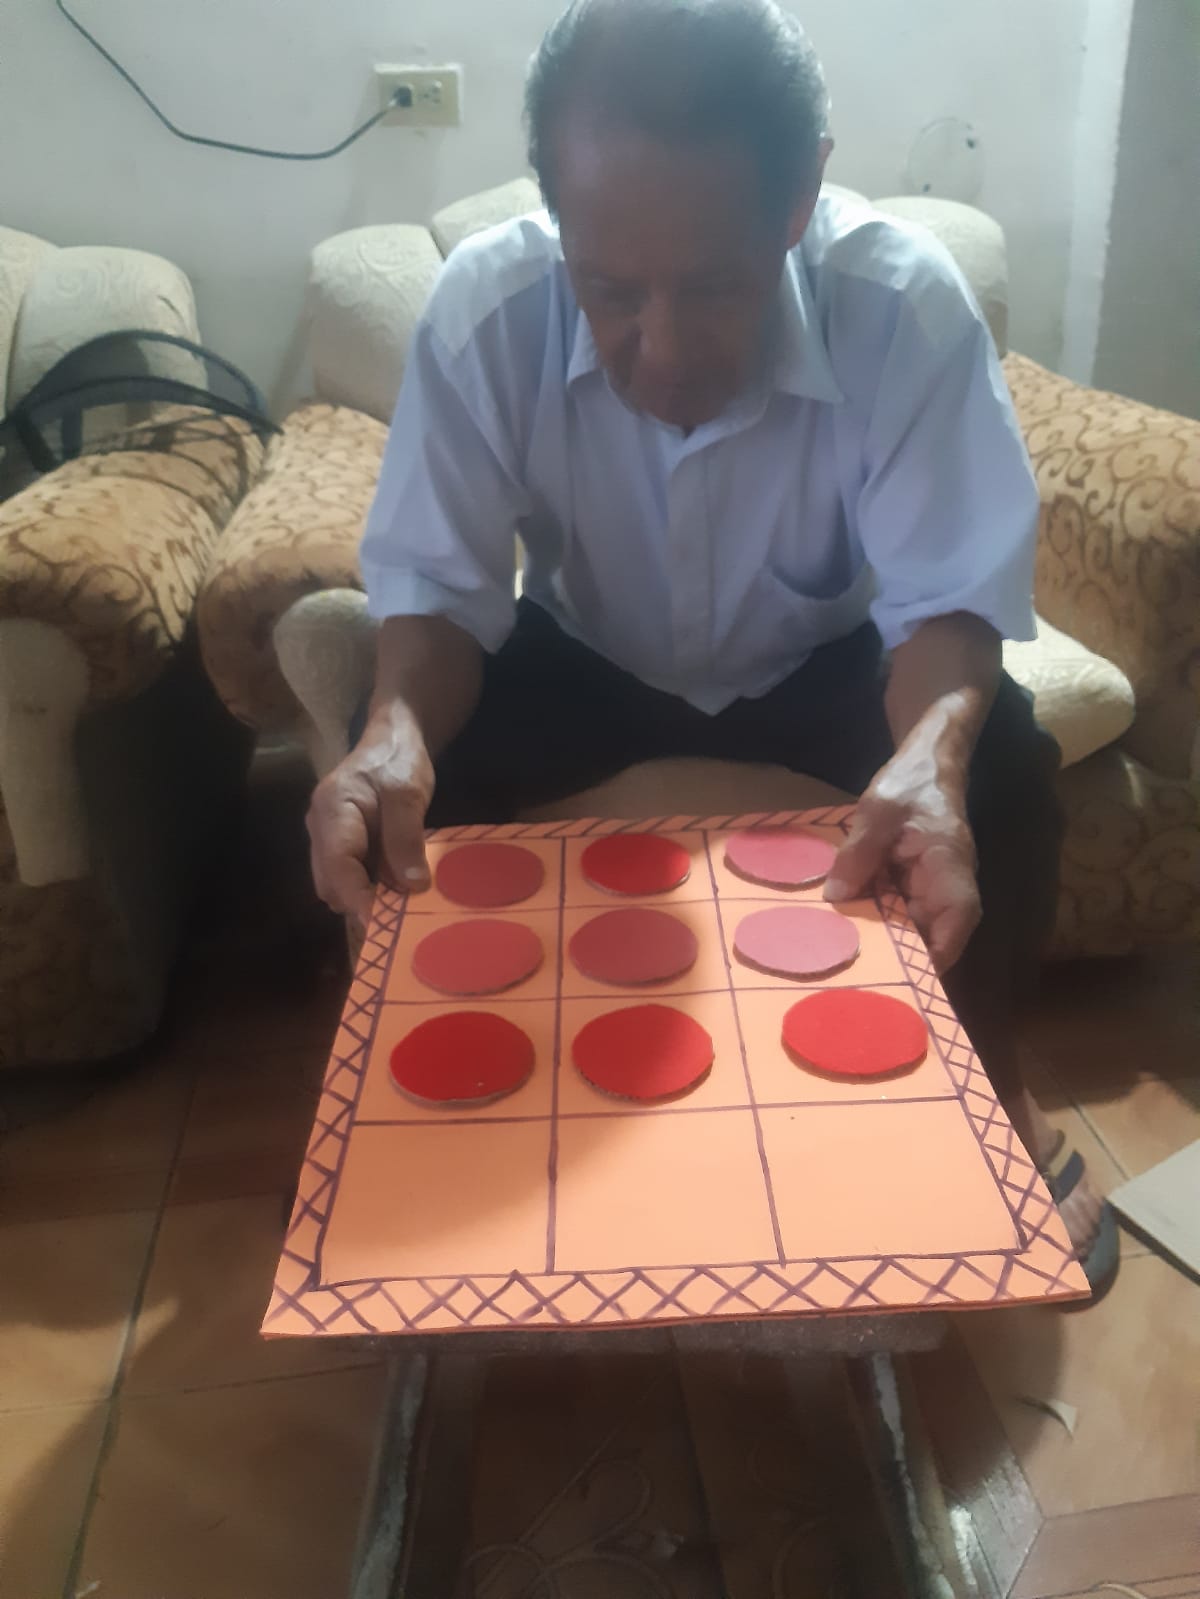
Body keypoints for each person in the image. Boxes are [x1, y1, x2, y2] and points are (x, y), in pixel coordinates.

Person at [307, 0, 1115, 1290]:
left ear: (800, 197)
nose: (664, 352)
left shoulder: (902, 306)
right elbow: (441, 597)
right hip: (586, 657)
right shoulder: (485, 312)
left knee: (1000, 759)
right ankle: (436, 1125)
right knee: (395, 763)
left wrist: (933, 755)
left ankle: (995, 1109)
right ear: (556, 213)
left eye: (717, 287)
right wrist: (392, 733)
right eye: (611, 292)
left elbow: (943, 607)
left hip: (825, 662)